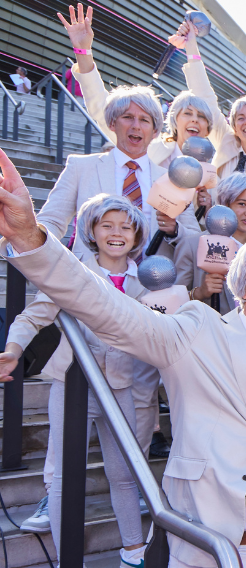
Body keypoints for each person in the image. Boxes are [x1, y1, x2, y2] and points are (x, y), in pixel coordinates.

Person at [0, 147, 246, 568]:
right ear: (242, 285)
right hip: (201, 544)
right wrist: (31, 239)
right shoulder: (197, 330)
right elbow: (109, 309)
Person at [0, 195, 152, 568]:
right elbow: (33, 315)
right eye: (107, 225)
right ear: (92, 231)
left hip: (119, 387)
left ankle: (133, 553)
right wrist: (14, 349)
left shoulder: (146, 280)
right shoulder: (73, 269)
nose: (117, 233)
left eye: (125, 226)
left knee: (125, 474)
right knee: (64, 475)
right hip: (72, 386)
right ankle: (69, 556)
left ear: (136, 235)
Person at [36, 72, 199, 257]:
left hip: (150, 280)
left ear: (155, 132)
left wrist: (174, 230)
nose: (136, 126)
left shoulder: (172, 180)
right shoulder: (80, 167)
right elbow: (51, 220)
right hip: (92, 279)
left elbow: (193, 238)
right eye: (128, 117)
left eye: (145, 120)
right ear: (112, 123)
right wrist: (32, 245)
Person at [60, 6, 217, 168]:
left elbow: (206, 98)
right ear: (174, 120)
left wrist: (191, 45)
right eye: (188, 113)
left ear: (209, 126)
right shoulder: (151, 148)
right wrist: (83, 51)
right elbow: (102, 109)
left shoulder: (215, 165)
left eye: (202, 117)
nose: (194, 119)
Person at [171, 20, 246, 180]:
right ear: (234, 127)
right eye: (240, 118)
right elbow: (204, 96)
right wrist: (191, 45)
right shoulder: (227, 142)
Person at [174, 172, 246, 316]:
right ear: (225, 205)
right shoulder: (192, 245)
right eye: (242, 204)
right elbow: (173, 303)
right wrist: (199, 293)